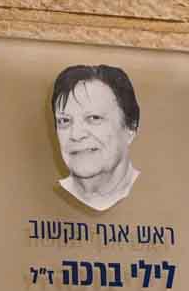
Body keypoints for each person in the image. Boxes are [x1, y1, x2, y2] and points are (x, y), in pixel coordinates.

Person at [51, 64, 141, 211]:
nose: (76, 135)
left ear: (131, 127)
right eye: (64, 121)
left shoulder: (161, 195)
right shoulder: (36, 199)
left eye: (94, 118)